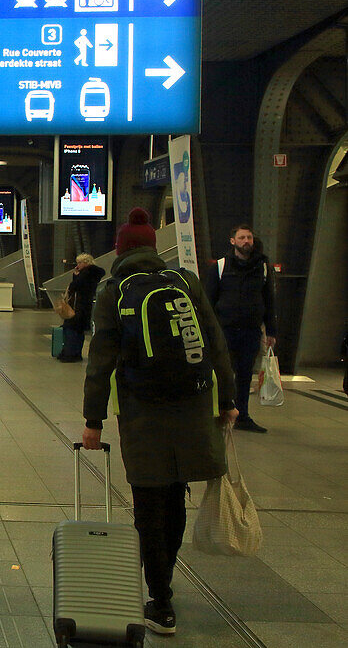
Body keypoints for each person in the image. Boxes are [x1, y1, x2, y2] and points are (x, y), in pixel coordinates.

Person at [82, 207, 237, 637]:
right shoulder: (185, 282)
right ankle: (163, 583)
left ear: (121, 250)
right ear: (153, 247)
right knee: (174, 497)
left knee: (148, 505)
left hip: (142, 410)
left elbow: (101, 360)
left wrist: (92, 419)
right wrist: (228, 399)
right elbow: (216, 342)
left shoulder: (113, 289)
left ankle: (161, 600)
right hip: (192, 406)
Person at [204, 224, 277, 433]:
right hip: (224, 331)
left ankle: (242, 415)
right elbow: (208, 301)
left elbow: (269, 300)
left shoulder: (262, 268)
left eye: (249, 238)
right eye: (242, 238)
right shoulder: (220, 266)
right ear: (232, 241)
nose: (247, 241)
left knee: (245, 374)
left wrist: (271, 330)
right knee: (222, 373)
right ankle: (220, 412)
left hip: (250, 331)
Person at [58, 253, 106, 362]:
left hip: (78, 306)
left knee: (71, 328)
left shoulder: (86, 274)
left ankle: (70, 354)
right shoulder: (94, 273)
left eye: (79, 262)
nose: (77, 265)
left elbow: (75, 286)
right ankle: (76, 353)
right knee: (79, 330)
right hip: (85, 306)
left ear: (86, 263)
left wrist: (75, 275)